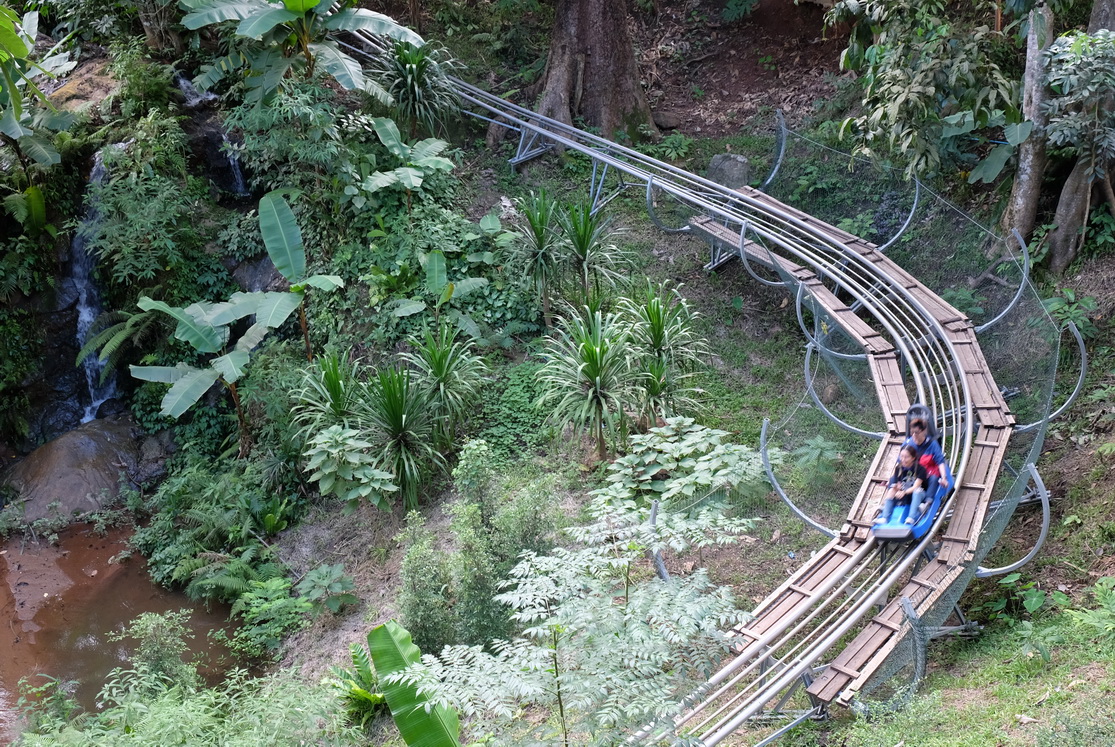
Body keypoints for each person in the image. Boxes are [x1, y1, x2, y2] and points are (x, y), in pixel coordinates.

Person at [875, 445, 929, 526]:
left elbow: (916, 486)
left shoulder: (920, 469)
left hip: (918, 494)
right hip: (905, 494)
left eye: (906, 457)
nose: (903, 459)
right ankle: (885, 517)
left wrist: (903, 492)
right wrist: (896, 489)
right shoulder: (899, 468)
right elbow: (898, 484)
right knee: (892, 490)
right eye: (901, 456)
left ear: (913, 458)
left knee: (917, 491)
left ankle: (912, 517)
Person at [902, 416, 949, 502]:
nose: (914, 436)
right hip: (914, 473)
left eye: (916, 433)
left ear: (923, 431)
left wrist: (944, 477)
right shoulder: (908, 443)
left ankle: (927, 501)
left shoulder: (932, 444)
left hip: (928, 473)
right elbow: (900, 462)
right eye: (912, 433)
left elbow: (940, 461)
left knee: (934, 478)